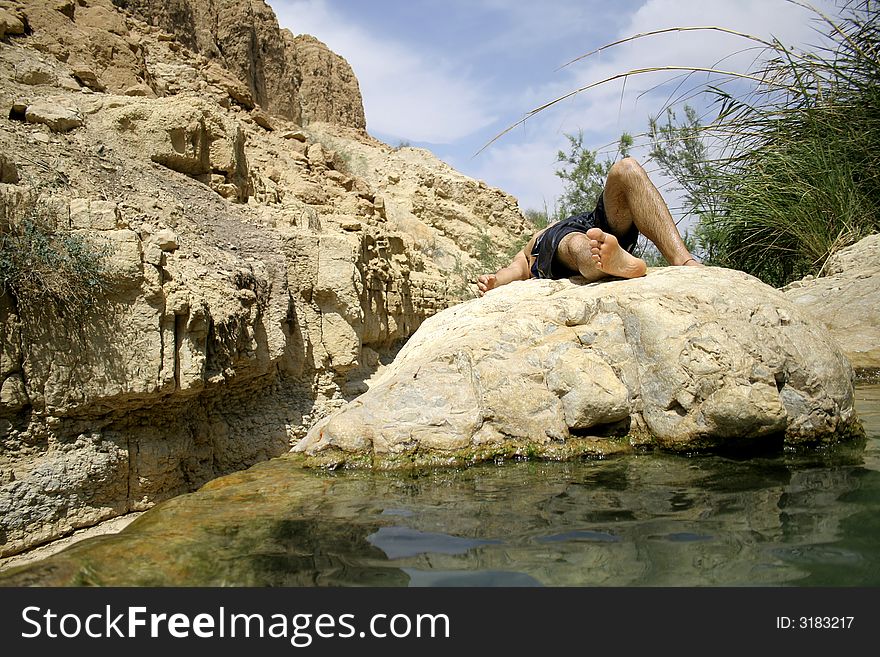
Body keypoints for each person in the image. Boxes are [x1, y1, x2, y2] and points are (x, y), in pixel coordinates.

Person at [477, 157, 702, 296]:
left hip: (586, 224)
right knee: (577, 243)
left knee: (626, 168)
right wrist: (496, 281)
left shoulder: (532, 248)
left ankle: (683, 259)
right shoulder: (527, 258)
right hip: (560, 240)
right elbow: (515, 272)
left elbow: (515, 270)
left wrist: (495, 280)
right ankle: (610, 262)